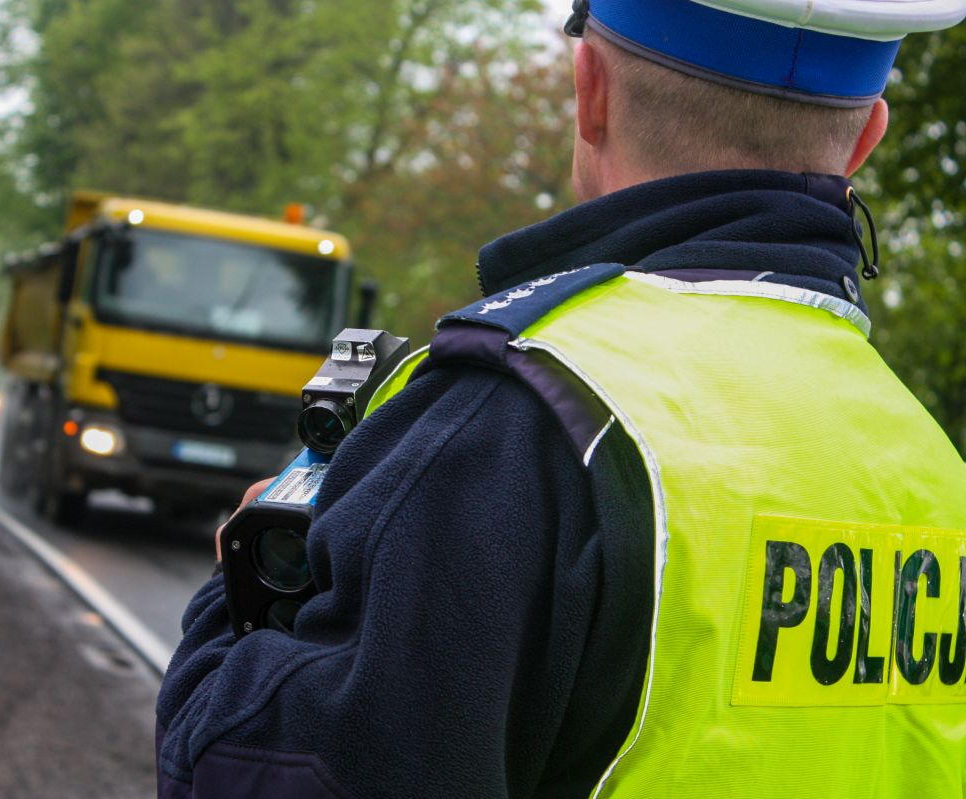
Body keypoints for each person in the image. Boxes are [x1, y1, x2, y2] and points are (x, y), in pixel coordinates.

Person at [156, 1, 966, 796]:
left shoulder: (524, 420)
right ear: (866, 139)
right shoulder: (936, 469)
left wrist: (232, 603)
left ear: (591, 91)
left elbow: (251, 770)